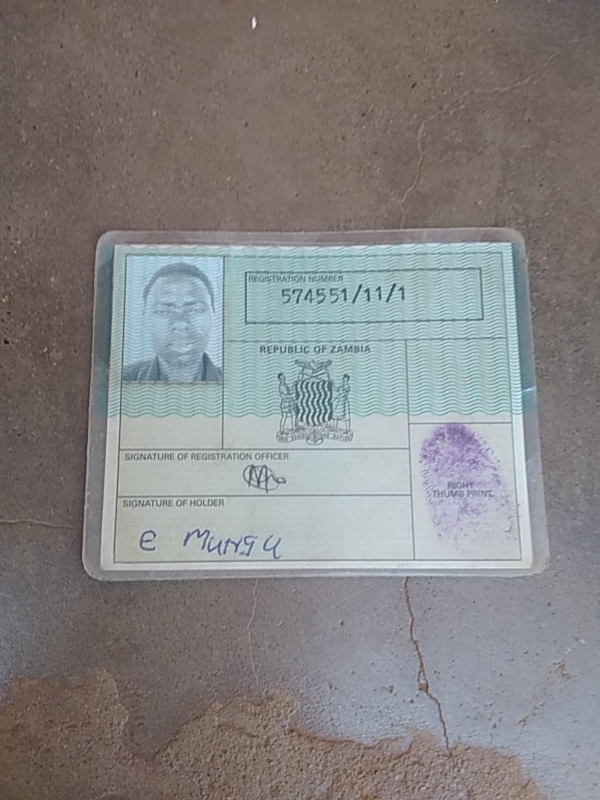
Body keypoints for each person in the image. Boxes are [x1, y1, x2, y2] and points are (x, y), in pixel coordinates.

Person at [123, 263, 222, 382]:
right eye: (163, 311)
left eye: (195, 310)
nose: (180, 323)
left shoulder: (236, 383)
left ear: (213, 314)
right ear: (145, 317)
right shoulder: (119, 379)